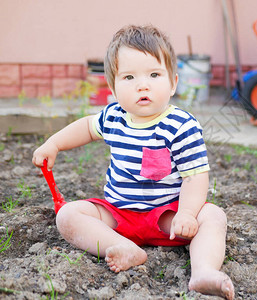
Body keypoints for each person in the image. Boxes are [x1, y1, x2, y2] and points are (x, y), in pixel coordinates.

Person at [32, 24, 234, 299]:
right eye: (128, 77)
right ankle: (123, 247)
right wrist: (53, 143)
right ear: (113, 88)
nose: (143, 84)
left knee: (212, 216)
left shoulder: (180, 125)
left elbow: (194, 176)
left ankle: (204, 270)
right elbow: (86, 128)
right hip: (119, 215)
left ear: (173, 83)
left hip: (167, 218)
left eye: (154, 74)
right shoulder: (113, 116)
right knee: (68, 215)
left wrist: (186, 214)